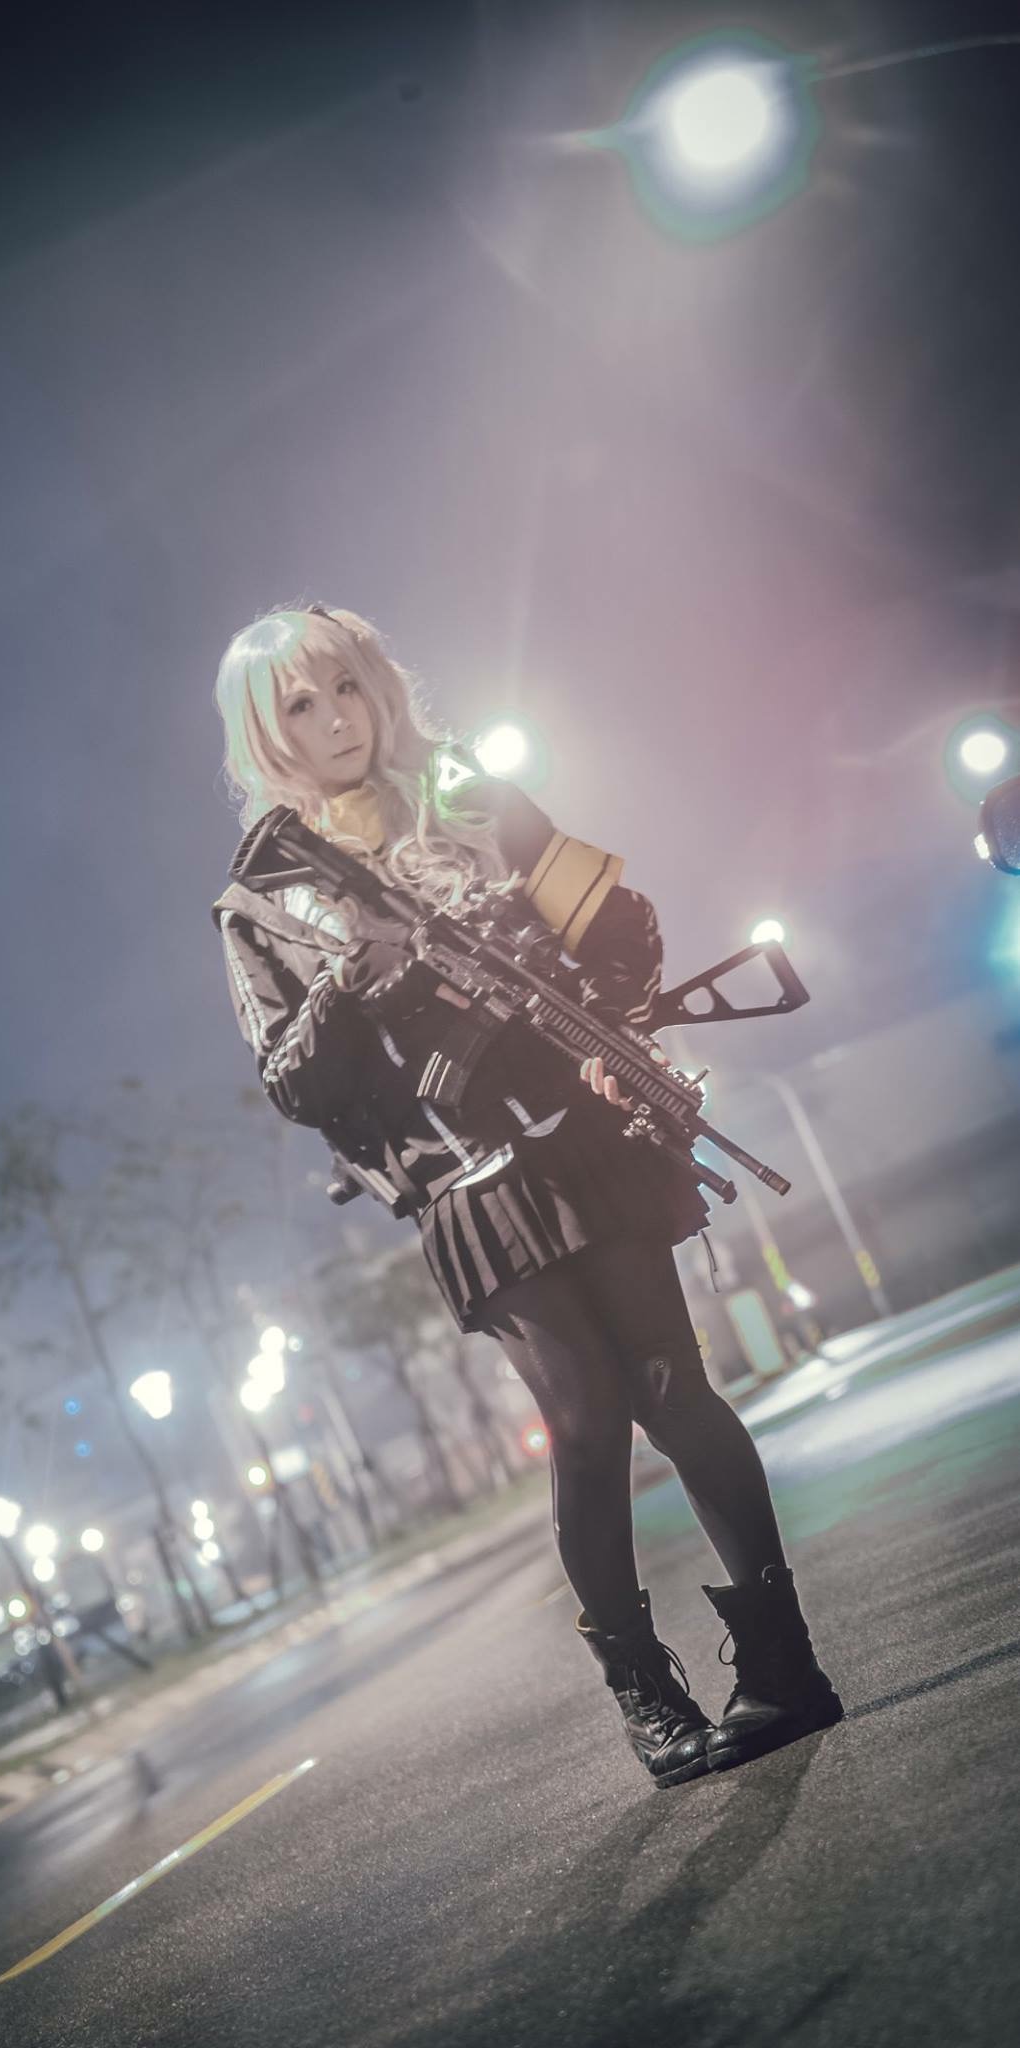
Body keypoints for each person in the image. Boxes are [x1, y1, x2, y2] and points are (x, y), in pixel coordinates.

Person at [211, 603, 841, 1785]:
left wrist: (612, 1030)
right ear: (265, 731)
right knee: (587, 1419)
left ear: (376, 685)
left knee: (674, 1390)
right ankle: (647, 1695)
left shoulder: (461, 793)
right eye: (301, 702)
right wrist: (354, 979)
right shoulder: (261, 898)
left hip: (583, 1138)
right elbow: (292, 1079)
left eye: (345, 685)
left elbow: (620, 923)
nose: (336, 716)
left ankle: (783, 1663)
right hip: (466, 1182)